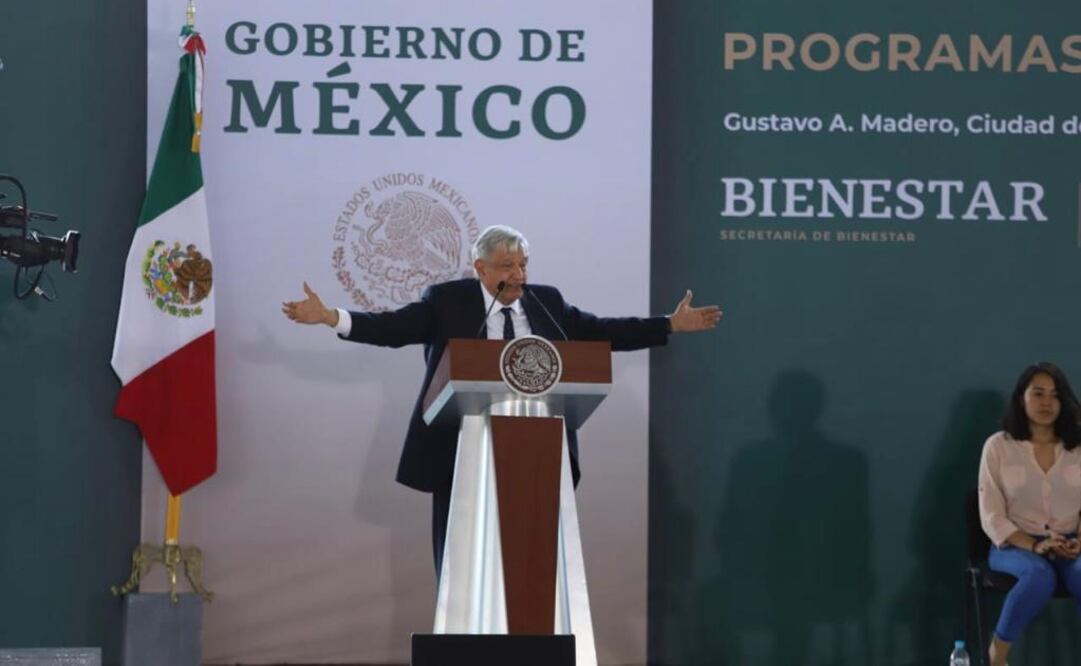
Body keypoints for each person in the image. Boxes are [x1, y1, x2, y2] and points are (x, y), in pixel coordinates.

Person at [282, 225, 722, 573]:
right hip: (461, 448)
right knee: (462, 556)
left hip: (538, 449)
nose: (518, 275)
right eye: (507, 266)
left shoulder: (546, 302)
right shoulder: (447, 301)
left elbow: (601, 331)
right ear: (480, 267)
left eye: (523, 265)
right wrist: (329, 317)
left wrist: (667, 325)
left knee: (533, 557)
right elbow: (392, 329)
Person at [978, 362, 1081, 666]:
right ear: (1021, 398)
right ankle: (998, 655)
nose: (1047, 402)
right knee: (1038, 575)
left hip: (1071, 543)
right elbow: (991, 513)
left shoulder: (1077, 448)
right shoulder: (998, 446)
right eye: (1038, 394)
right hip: (1015, 545)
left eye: (1055, 395)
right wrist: (1035, 545)